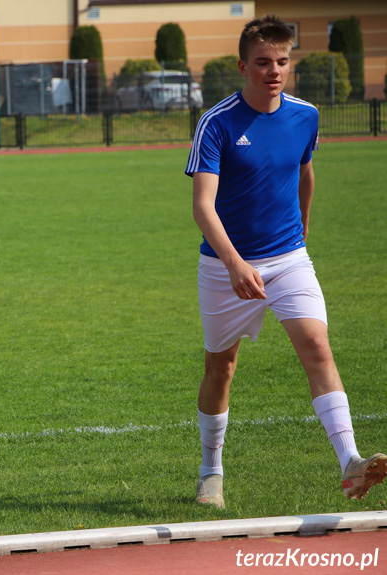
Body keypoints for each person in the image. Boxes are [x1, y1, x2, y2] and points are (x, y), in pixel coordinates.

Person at [186, 15, 386, 509]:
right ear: (242, 65)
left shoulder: (306, 115)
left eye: (281, 61)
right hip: (223, 266)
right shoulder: (217, 122)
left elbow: (305, 171)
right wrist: (234, 263)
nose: (273, 71)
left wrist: (304, 227)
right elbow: (202, 206)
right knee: (221, 368)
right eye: (262, 62)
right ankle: (211, 471)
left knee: (317, 346)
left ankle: (350, 462)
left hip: (288, 258)